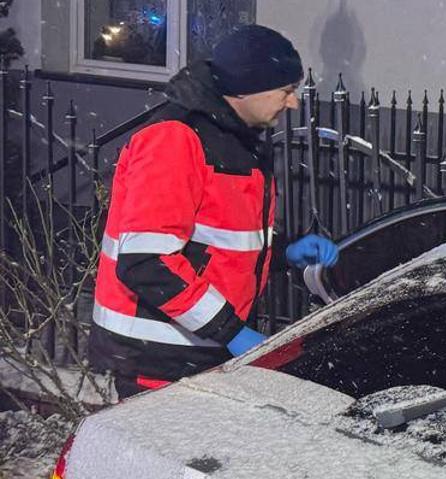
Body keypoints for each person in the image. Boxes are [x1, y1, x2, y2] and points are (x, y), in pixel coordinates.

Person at [89, 25, 340, 400]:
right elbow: (147, 262)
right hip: (159, 361)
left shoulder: (234, 139)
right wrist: (232, 333)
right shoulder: (174, 140)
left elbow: (214, 245)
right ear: (245, 89)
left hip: (197, 353)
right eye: (286, 91)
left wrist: (284, 253)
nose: (293, 104)